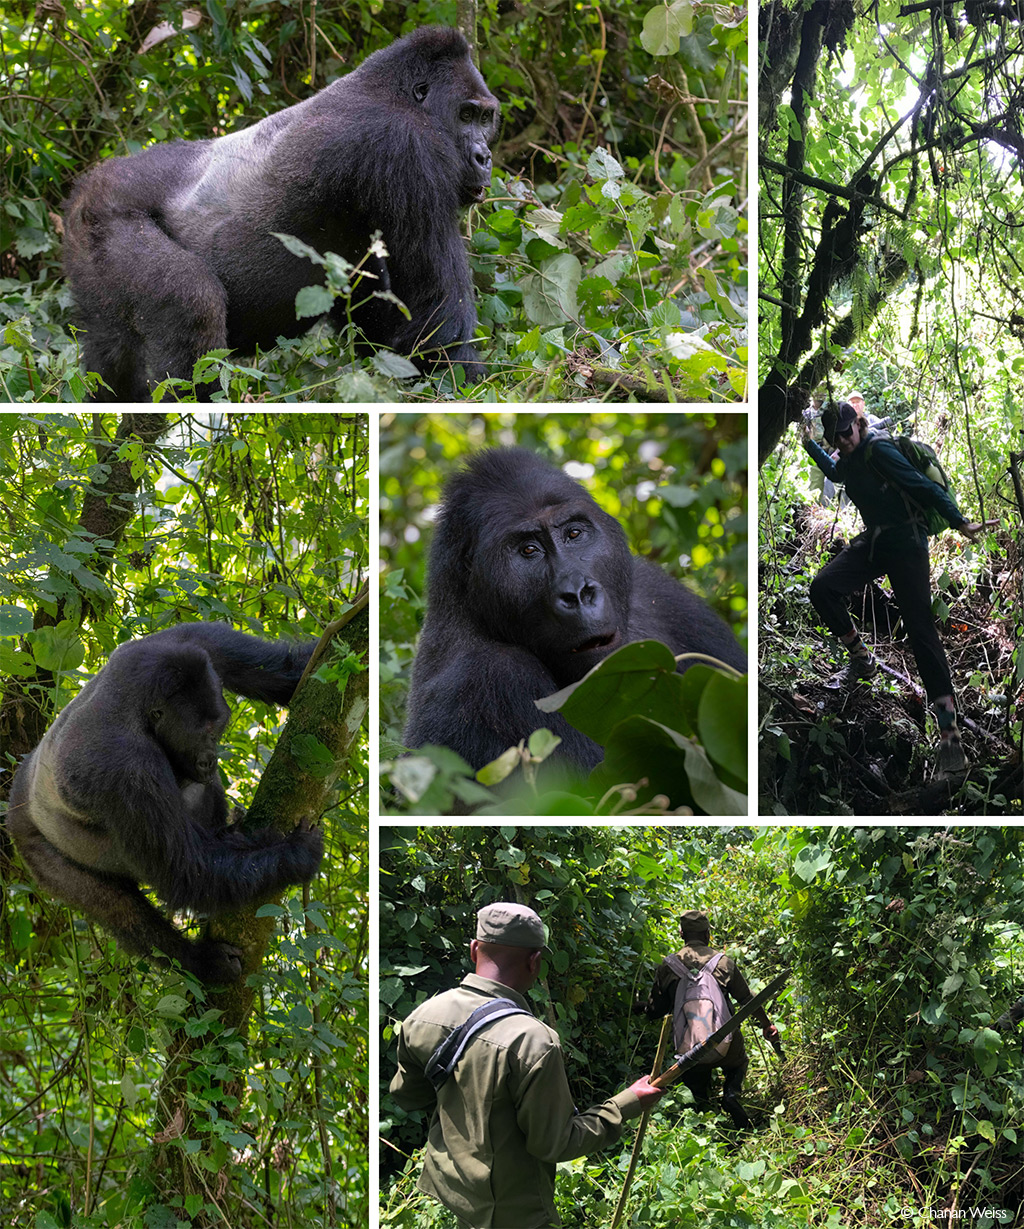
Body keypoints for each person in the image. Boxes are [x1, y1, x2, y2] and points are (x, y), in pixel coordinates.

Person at [389, 902, 664, 1229]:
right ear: (535, 962)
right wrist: (628, 1102)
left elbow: (408, 1095)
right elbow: (555, 1143)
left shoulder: (423, 1016)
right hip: (515, 1210)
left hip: (457, 1193)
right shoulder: (533, 1041)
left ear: (475, 949)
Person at [802, 401, 983, 775]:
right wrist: (809, 446)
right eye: (834, 436)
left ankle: (950, 738)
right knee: (822, 588)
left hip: (907, 545)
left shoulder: (879, 449)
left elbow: (920, 486)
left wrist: (959, 522)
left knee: (921, 634)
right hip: (875, 543)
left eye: (846, 432)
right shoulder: (849, 458)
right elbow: (836, 471)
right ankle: (862, 659)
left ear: (859, 424)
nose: (842, 440)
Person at [641, 910, 778, 1129]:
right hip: (727, 1043)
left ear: (681, 934)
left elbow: (655, 1011)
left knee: (695, 1078)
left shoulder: (668, 967)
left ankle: (705, 1114)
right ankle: (731, 1094)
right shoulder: (723, 963)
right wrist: (766, 1024)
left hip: (690, 1050)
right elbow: (747, 999)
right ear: (707, 934)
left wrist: (643, 1007)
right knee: (738, 1063)